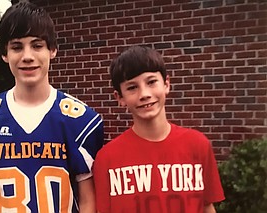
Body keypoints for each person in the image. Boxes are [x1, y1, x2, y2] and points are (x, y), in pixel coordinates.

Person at [0, 1, 104, 212]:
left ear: (53, 50)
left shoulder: (82, 120)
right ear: (4, 54)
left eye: (37, 45)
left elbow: (87, 200)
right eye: (17, 47)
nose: (27, 57)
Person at [93, 45, 224, 213]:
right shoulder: (107, 159)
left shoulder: (198, 145)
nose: (144, 94)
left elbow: (207, 206)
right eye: (132, 87)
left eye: (151, 82)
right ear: (120, 97)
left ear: (166, 84)